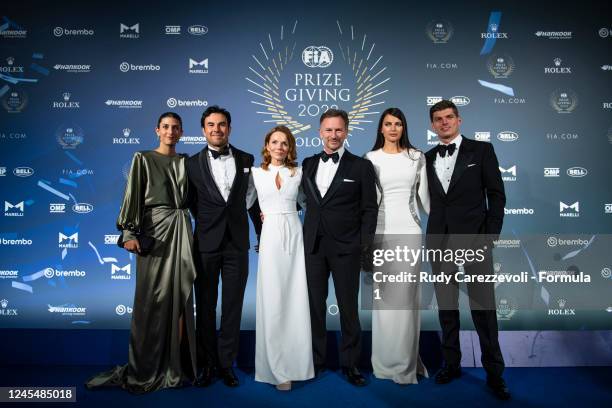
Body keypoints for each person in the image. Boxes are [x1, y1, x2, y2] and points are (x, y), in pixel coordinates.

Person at [86, 112, 197, 394]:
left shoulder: (186, 162)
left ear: (182, 132)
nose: (170, 132)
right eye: (166, 127)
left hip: (182, 233)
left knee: (181, 298)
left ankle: (175, 367)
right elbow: (132, 197)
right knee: (151, 302)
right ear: (157, 130)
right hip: (155, 235)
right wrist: (128, 233)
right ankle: (146, 367)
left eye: (175, 128)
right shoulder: (143, 159)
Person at [425, 100, 510, 400]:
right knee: (447, 309)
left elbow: (497, 195)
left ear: (459, 120)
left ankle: (495, 374)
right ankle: (451, 364)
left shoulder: (481, 151)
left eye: (449, 117)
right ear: (433, 125)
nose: (444, 123)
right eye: (438, 119)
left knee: (484, 309)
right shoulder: (427, 157)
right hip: (439, 241)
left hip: (475, 239)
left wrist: (490, 236)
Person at [301, 109, 378, 386]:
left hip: (347, 248)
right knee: (314, 308)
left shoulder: (361, 166)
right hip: (313, 248)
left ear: (346, 132)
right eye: (328, 130)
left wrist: (364, 246)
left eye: (338, 130)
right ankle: (316, 360)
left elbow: (370, 209)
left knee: (348, 309)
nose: (333, 135)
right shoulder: (307, 164)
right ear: (320, 132)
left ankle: (351, 365)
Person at [185, 105, 261, 388]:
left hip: (237, 244)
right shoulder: (190, 164)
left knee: (232, 306)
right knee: (205, 306)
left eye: (222, 124)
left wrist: (261, 235)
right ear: (203, 129)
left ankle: (226, 364)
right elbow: (191, 203)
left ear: (230, 127)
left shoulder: (246, 158)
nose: (217, 129)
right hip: (205, 243)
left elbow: (253, 202)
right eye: (211, 125)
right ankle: (207, 364)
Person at [364, 108, 429, 384]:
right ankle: (383, 363)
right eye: (388, 124)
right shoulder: (370, 159)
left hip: (410, 233)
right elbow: (367, 202)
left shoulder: (417, 157)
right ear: (381, 128)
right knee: (383, 302)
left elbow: (427, 201)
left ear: (404, 128)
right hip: (381, 235)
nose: (393, 128)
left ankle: (405, 364)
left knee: (405, 302)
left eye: (398, 124)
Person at [251, 126, 314, 391]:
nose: (279, 147)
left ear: (290, 148)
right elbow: (245, 205)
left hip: (294, 235)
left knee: (295, 298)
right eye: (274, 142)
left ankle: (296, 364)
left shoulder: (298, 173)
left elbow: (310, 204)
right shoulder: (254, 173)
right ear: (266, 146)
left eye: (284, 143)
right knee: (273, 299)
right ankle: (274, 368)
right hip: (270, 236)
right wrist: (259, 226)